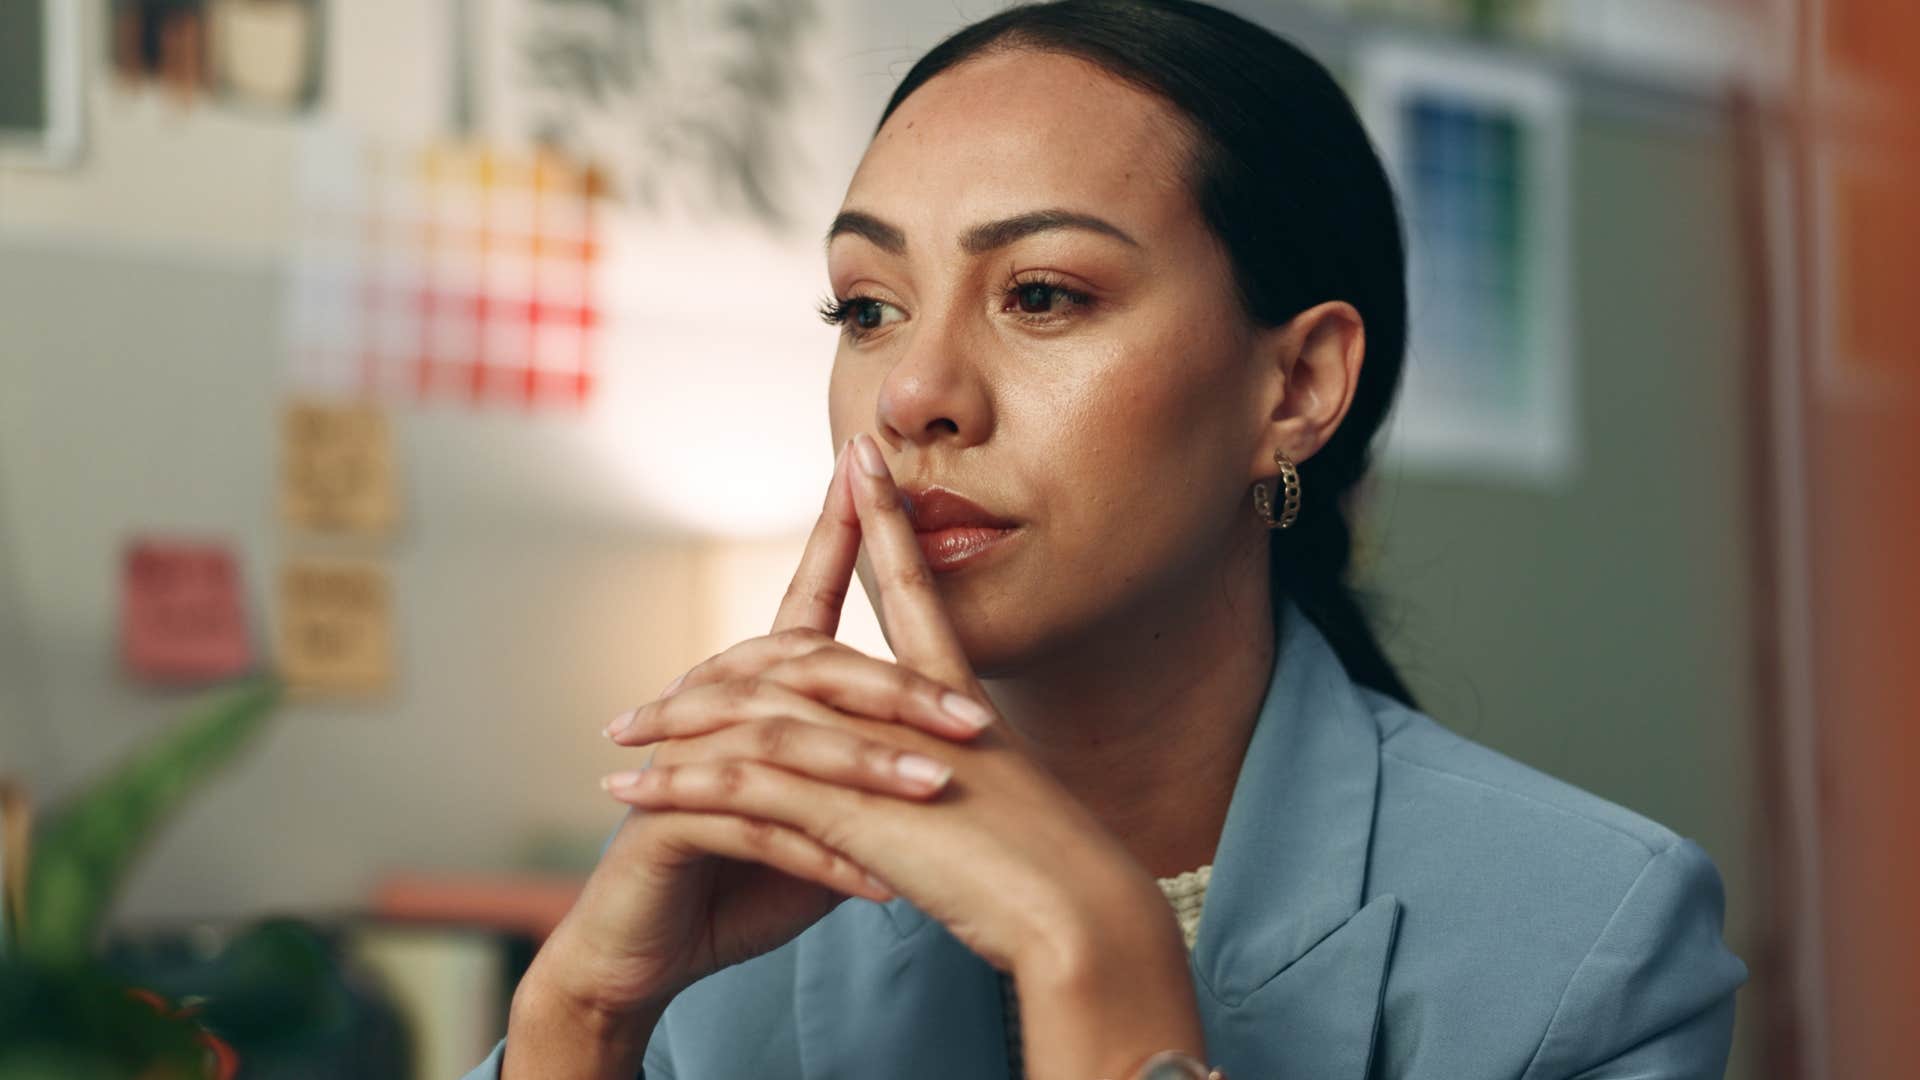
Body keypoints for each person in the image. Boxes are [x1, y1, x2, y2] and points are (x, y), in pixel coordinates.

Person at [464, 2, 1748, 1077]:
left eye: (1040, 294)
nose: (914, 394)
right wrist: (575, 1019)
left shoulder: (1591, 938)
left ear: (1294, 388)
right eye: (867, 306)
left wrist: (1103, 962)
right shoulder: (738, 896)